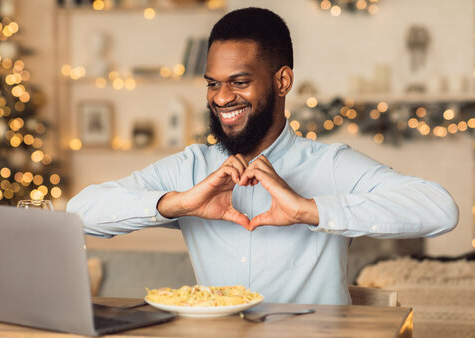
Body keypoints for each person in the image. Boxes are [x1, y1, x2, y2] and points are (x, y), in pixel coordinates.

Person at [67, 7, 458, 305]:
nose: (222, 98)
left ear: (282, 81)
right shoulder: (193, 168)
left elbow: (440, 209)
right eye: (213, 84)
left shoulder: (330, 165)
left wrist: (309, 209)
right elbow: (81, 212)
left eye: (239, 82)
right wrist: (181, 203)